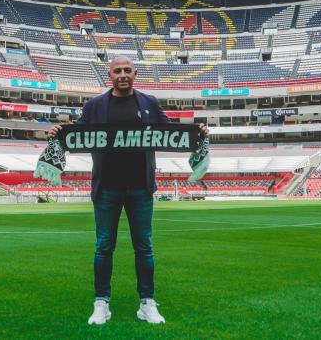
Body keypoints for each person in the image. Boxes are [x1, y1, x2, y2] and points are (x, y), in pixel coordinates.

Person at [47, 56, 208, 325]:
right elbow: (77, 133)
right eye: (117, 71)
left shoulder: (149, 103)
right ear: (109, 75)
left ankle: (147, 302)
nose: (122, 74)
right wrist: (57, 132)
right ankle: (101, 302)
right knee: (103, 247)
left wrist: (196, 132)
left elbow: (170, 131)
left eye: (127, 70)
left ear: (135, 73)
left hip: (140, 187)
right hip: (106, 188)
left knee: (144, 247)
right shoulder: (94, 106)